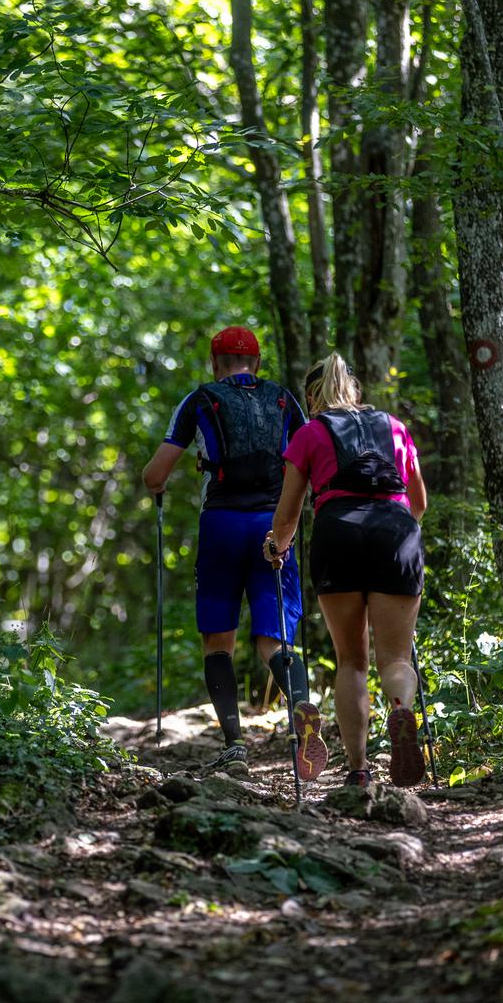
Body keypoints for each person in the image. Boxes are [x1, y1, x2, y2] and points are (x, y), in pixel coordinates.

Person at [142, 327, 326, 780]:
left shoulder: (199, 400)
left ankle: (234, 746)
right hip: (273, 528)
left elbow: (155, 473)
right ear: (258, 363)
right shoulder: (284, 399)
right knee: (274, 638)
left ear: (214, 362)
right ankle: (301, 708)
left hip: (221, 524)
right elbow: (310, 458)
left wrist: (159, 482)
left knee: (217, 639)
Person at [263, 352, 428, 788]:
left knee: (351, 662)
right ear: (354, 388)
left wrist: (275, 548)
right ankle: (400, 710)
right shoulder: (394, 427)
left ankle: (358, 770)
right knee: (395, 657)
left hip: (338, 536)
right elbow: (420, 502)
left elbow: (288, 515)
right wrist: (399, 538)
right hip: (396, 532)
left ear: (312, 396)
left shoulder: (309, 434)